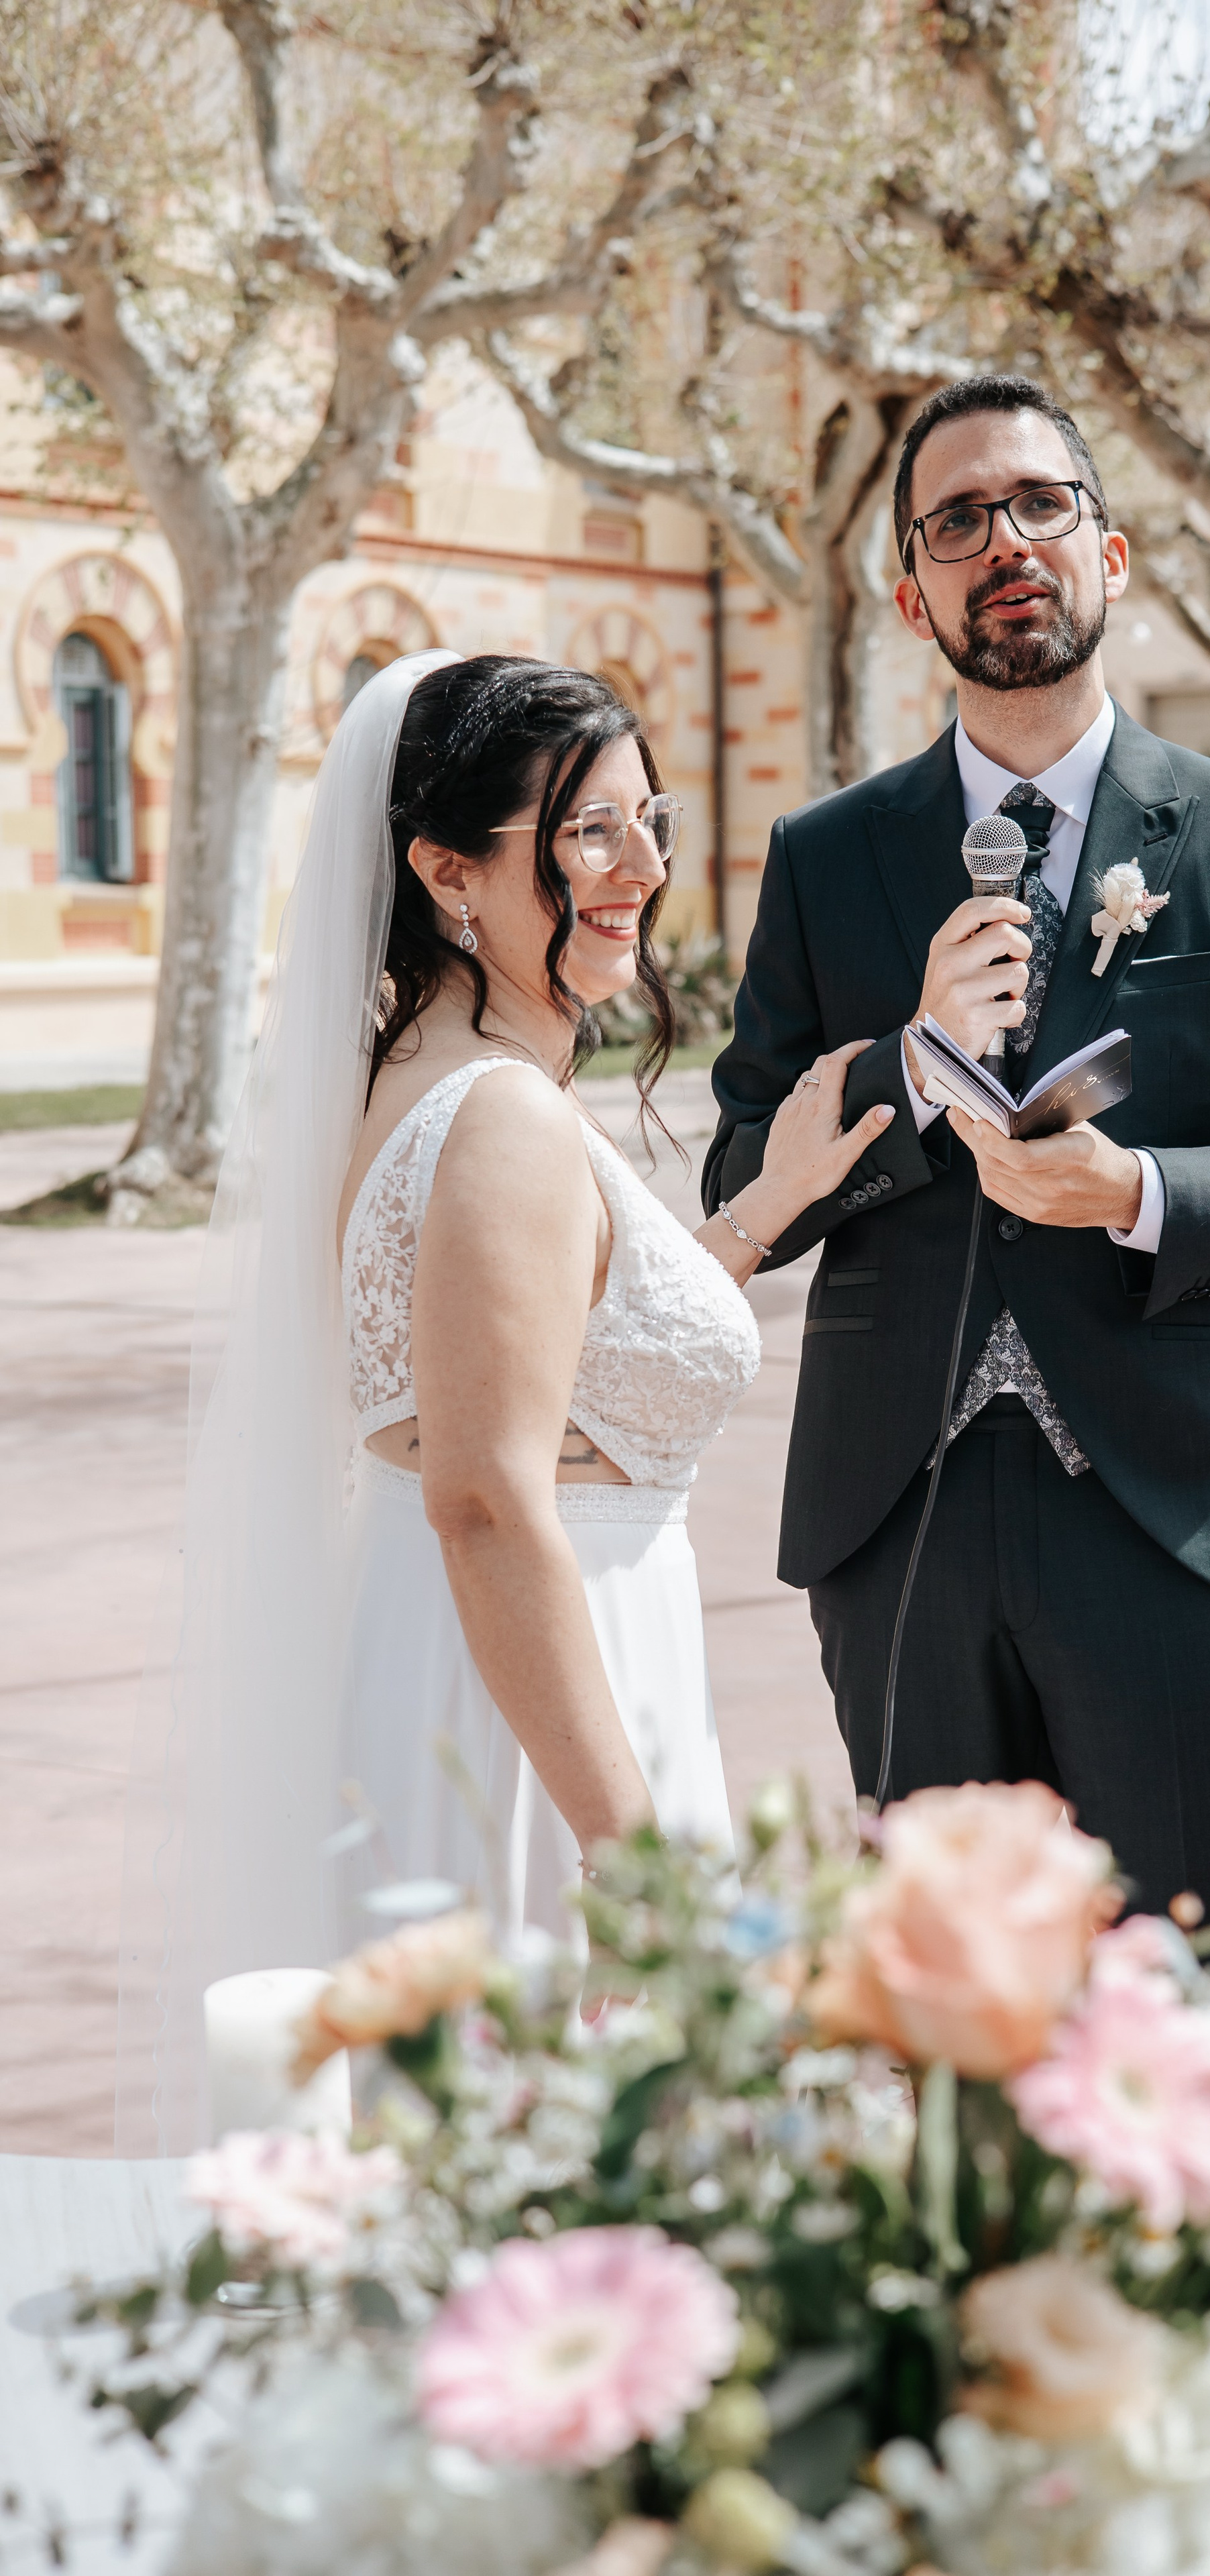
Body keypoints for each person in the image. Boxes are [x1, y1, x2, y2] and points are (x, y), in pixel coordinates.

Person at [118, 653, 891, 2150]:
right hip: (539, 1709)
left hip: (488, 1671)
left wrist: (769, 1201)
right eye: (588, 832)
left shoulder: (418, 1073)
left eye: (646, 821)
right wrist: (629, 1857)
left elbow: (567, 1361)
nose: (643, 869)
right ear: (445, 870)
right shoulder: (500, 1116)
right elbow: (484, 1495)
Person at [705, 375, 1210, 1925]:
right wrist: (904, 1056)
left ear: (1114, 553)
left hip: (1163, 1513)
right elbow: (742, 1164)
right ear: (910, 592)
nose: (1001, 540)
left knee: (1206, 1987)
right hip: (899, 1524)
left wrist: (1141, 1192)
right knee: (958, 2025)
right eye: (954, 521)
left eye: (1039, 504)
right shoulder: (826, 860)